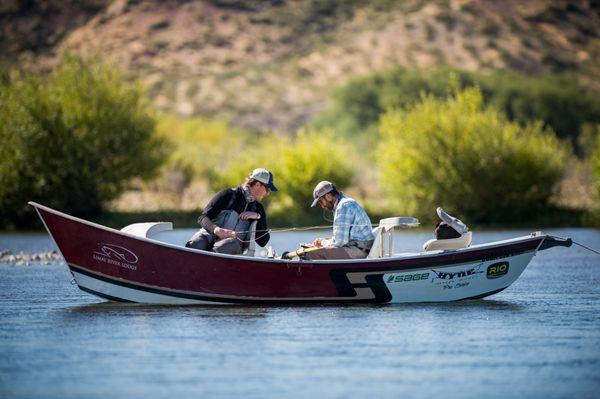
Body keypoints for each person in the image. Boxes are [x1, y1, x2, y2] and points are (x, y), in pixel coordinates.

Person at [185, 168, 277, 254]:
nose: (267, 193)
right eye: (267, 189)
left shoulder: (258, 209)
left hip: (232, 246)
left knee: (221, 248)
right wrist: (216, 230)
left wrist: (257, 217)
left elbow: (263, 241)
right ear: (257, 185)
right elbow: (203, 218)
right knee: (195, 244)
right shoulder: (228, 195)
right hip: (209, 235)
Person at [304, 181, 374, 260]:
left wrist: (321, 243)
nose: (323, 206)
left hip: (358, 250)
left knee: (311, 254)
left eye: (320, 201)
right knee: (314, 251)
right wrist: (324, 240)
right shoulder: (345, 203)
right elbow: (341, 239)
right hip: (358, 248)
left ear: (328, 197)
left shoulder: (343, 206)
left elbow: (339, 242)